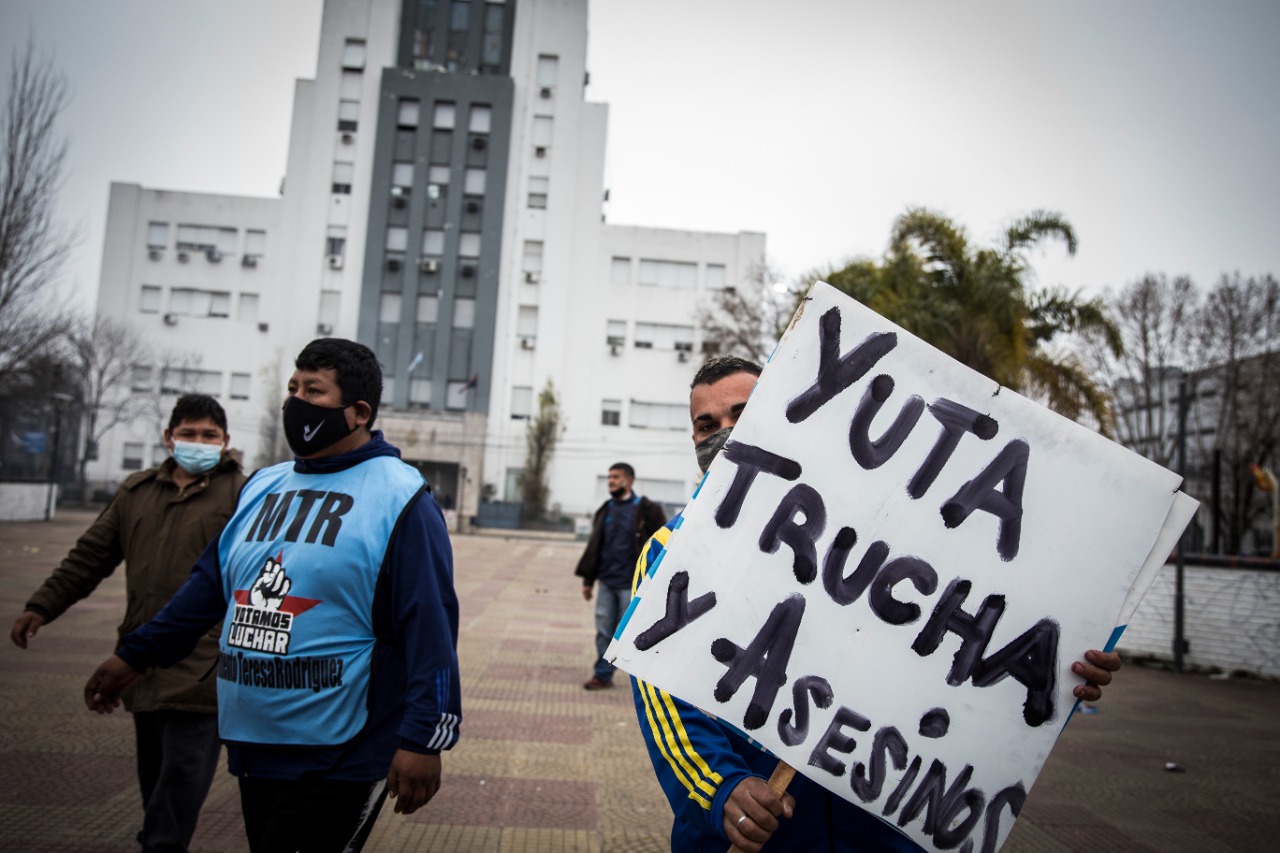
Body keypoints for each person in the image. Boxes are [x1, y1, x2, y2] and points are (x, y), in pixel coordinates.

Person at [631, 356, 1125, 853]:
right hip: (754, 830)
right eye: (707, 425)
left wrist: (1056, 671)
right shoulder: (671, 551)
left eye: (743, 413)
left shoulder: (879, 532)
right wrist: (720, 789)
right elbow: (660, 695)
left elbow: (966, 645)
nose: (725, 432)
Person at [82, 339, 461, 853]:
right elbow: (207, 588)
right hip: (255, 740)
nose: (296, 401)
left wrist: (423, 738)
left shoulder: (401, 497)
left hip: (342, 748)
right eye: (292, 387)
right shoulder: (263, 487)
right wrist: (135, 655)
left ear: (359, 412)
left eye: (314, 391)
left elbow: (430, 624)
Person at [11, 393, 247, 853]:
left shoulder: (242, 494)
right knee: (154, 778)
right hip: (142, 662)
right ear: (169, 438)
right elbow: (90, 556)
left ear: (225, 441)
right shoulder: (137, 492)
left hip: (204, 667)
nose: (199, 443)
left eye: (209, 435)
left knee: (181, 779)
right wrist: (42, 606)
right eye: (189, 434)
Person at [575, 462, 666, 690]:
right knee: (604, 630)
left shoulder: (646, 510)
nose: (611, 481)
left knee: (630, 632)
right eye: (609, 477)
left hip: (632, 585)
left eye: (616, 477)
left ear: (629, 480)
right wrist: (588, 581)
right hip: (607, 581)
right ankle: (603, 674)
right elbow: (595, 547)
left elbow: (664, 544)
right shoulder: (606, 509)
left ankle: (646, 677)